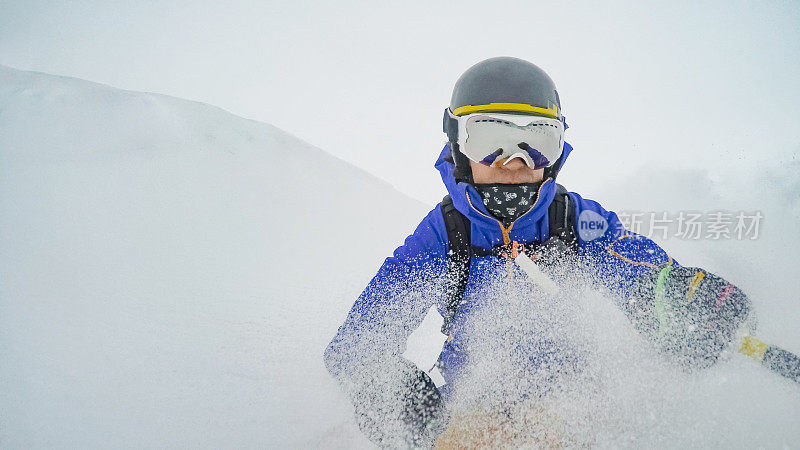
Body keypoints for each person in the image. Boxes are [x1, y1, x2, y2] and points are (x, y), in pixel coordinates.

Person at [324, 56, 750, 448]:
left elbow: (635, 265)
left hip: (574, 402)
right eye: (490, 138)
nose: (514, 161)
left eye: (537, 141)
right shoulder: (444, 234)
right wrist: (387, 388)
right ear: (457, 144)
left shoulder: (573, 219)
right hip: (471, 412)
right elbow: (358, 345)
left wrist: (671, 295)